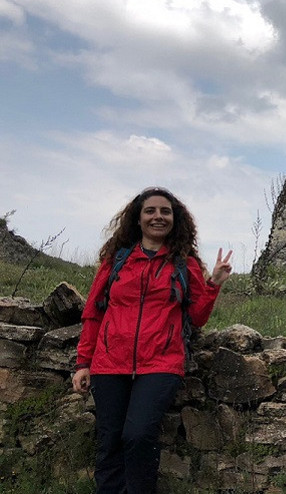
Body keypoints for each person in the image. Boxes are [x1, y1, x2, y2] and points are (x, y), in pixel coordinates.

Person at [72, 186, 233, 494]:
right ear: (138, 218)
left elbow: (198, 316)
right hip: (109, 364)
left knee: (138, 434)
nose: (158, 217)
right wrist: (83, 363)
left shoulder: (184, 263)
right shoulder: (116, 260)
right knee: (110, 440)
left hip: (161, 364)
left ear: (175, 219)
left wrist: (213, 283)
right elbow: (94, 312)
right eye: (151, 211)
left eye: (165, 211)